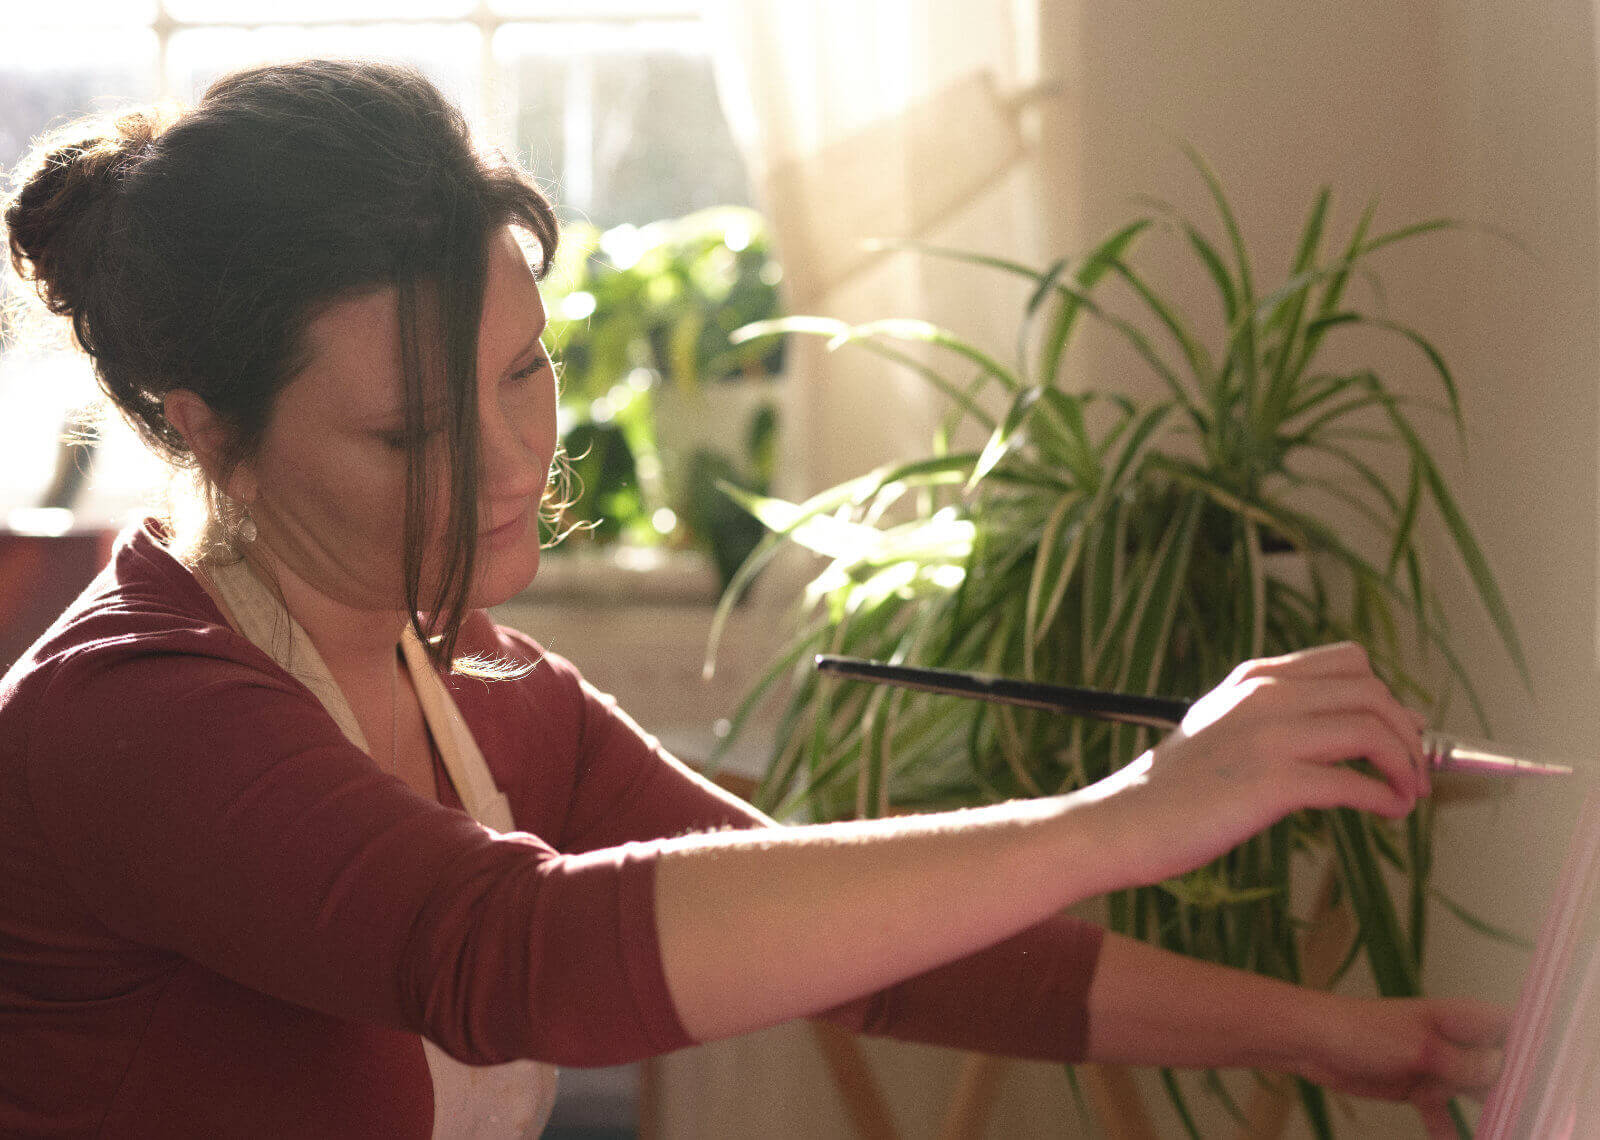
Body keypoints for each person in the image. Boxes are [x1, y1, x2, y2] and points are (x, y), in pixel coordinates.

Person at [0, 58, 1505, 1140]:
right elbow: (520, 959)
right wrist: (1132, 815)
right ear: (204, 422)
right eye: (419, 431)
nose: (522, 453)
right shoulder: (128, 719)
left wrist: (1339, 1036)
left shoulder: (494, 693)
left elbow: (876, 954)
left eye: (526, 371)